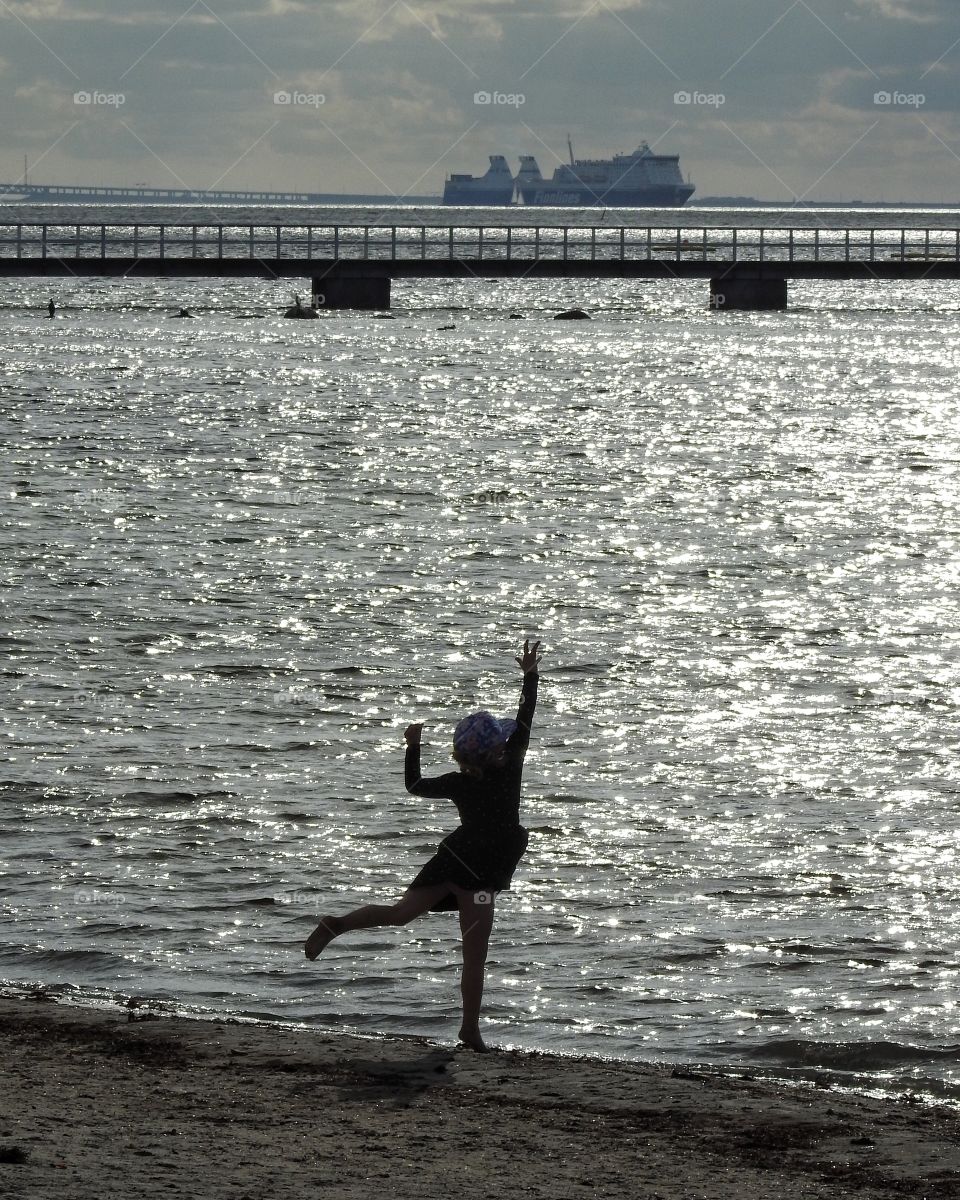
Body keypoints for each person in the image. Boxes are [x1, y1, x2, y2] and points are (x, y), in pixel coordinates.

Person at [304, 638, 543, 1052]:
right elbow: (526, 717)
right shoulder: (512, 768)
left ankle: (336, 923)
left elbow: (414, 785)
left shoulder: (458, 781)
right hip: (481, 876)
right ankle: (469, 1030)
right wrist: (529, 675)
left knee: (400, 914)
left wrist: (412, 747)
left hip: (450, 861)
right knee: (474, 954)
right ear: (500, 750)